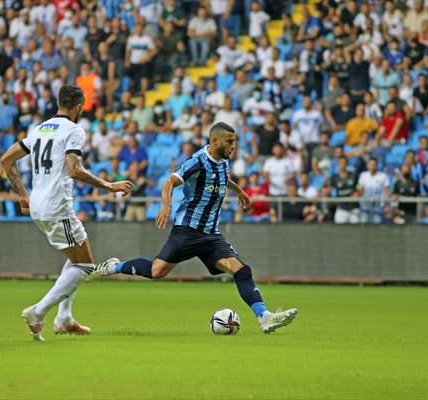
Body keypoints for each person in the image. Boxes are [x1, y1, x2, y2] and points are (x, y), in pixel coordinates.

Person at [90, 122, 298, 334]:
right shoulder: (197, 161)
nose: (234, 146)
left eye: (234, 141)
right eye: (230, 141)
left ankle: (265, 317)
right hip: (188, 230)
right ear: (215, 141)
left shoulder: (223, 161)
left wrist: (240, 191)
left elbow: (223, 178)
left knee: (241, 270)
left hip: (211, 235)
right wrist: (166, 205)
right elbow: (169, 182)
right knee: (156, 271)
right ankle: (114, 266)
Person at [0, 85, 134, 341]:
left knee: (77, 256)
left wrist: (22, 195)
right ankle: (38, 312)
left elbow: (6, 160)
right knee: (85, 264)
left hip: (38, 205)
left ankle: (64, 318)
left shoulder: (39, 129)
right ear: (79, 106)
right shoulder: (74, 130)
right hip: (56, 205)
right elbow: (74, 169)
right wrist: (109, 185)